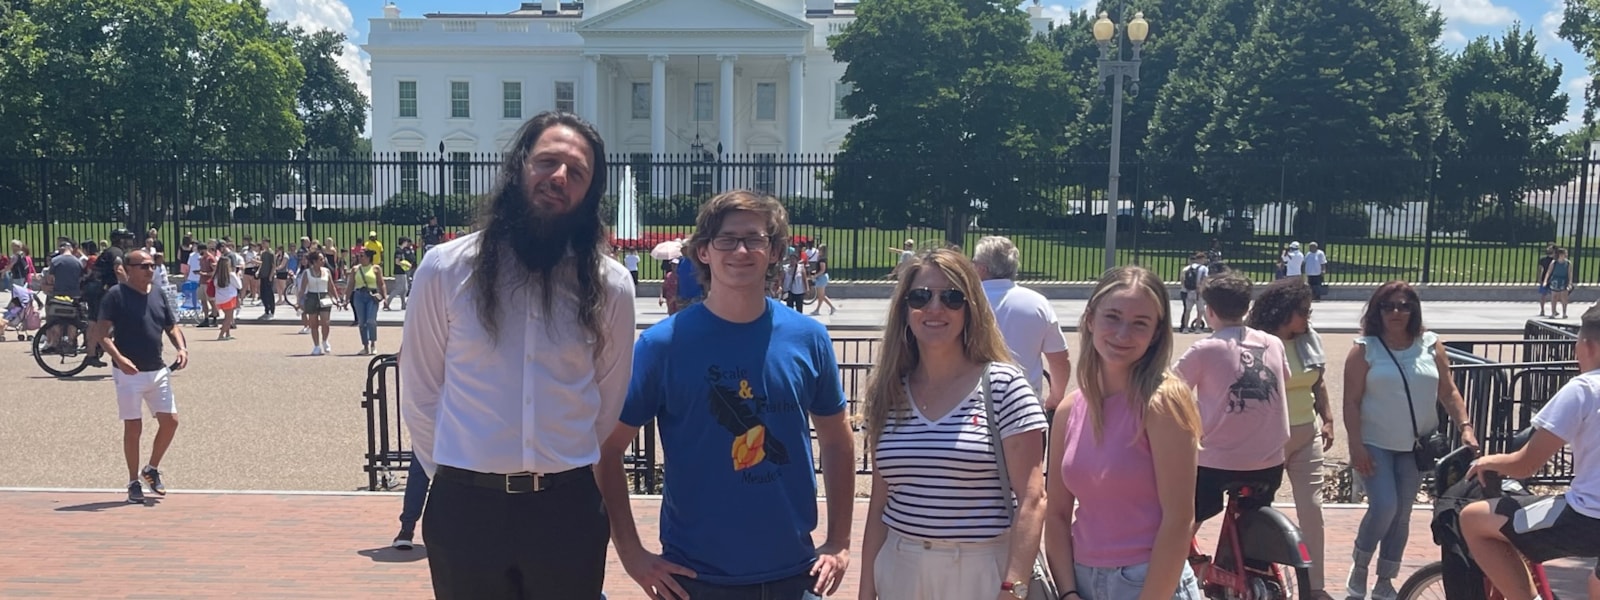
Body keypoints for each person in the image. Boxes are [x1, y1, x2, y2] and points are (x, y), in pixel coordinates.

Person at [400, 112, 636, 598]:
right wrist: (460, 470)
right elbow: (420, 392)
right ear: (519, 166)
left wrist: (558, 462)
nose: (559, 178)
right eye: (547, 162)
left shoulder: (611, 286)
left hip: (565, 511)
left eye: (577, 173)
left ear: (590, 193)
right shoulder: (445, 270)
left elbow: (606, 399)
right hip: (466, 512)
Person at [598, 190, 854, 600]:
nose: (741, 250)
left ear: (774, 252)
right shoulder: (663, 345)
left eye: (755, 239)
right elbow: (607, 450)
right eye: (726, 239)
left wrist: (839, 541)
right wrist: (631, 552)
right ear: (703, 252)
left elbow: (838, 440)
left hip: (794, 570)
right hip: (695, 577)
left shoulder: (809, 338)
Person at [857, 248, 1048, 600]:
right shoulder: (889, 391)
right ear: (905, 308)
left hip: (979, 570)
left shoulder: (1004, 386)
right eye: (920, 296)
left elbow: (1033, 499)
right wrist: (866, 591)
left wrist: (1014, 588)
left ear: (970, 308)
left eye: (951, 297)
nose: (934, 308)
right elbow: (880, 504)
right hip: (900, 566)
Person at [1046, 265, 1205, 600]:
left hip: (1149, 580)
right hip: (1082, 579)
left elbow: (1179, 520)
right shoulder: (1068, 410)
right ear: (1090, 319)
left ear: (1156, 333)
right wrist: (1068, 592)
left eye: (1139, 324)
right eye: (1113, 317)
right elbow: (1057, 514)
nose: (1122, 333)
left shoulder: (1163, 403)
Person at [1343, 281, 1478, 600]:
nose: (1396, 312)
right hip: (1375, 442)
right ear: (1377, 311)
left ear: (1414, 310)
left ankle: (1385, 579)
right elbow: (1351, 401)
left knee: (1402, 513)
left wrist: (1466, 426)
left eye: (1404, 306)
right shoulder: (1364, 349)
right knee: (1384, 507)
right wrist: (1355, 445)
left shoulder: (1430, 345)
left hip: (1416, 447)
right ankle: (1360, 565)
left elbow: (1448, 391)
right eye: (1388, 306)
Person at [1460, 303, 1600, 600]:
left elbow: (1526, 465)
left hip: (1588, 518)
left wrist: (1489, 461)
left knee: (1473, 518)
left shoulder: (1584, 389)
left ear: (1587, 346)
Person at [1173, 272, 1291, 529]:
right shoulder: (1273, 343)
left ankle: (1175, 564)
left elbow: (1170, 391)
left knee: (1184, 519)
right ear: (1247, 307)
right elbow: (1285, 379)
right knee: (1252, 526)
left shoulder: (1205, 348)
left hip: (1216, 460)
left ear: (1208, 310)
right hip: (1268, 459)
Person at [1245, 279, 1335, 600]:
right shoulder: (1256, 342)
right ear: (1284, 311)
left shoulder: (1308, 340)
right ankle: (1249, 572)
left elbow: (1318, 381)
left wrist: (1328, 419)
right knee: (1256, 509)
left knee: (1312, 510)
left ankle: (1315, 587)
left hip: (1306, 433)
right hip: (1269, 438)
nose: (1307, 318)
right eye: (1303, 312)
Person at [87, 249, 188, 504]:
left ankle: (151, 469)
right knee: (134, 427)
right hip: (128, 373)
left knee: (171, 421)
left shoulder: (158, 293)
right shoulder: (116, 296)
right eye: (143, 266)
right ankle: (133, 481)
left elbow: (171, 325)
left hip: (158, 369)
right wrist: (120, 359)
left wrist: (181, 347)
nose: (150, 269)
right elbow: (102, 333)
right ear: (128, 269)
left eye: (152, 265)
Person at [972, 235, 1071, 419]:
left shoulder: (963, 301)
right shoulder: (1037, 302)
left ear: (982, 268)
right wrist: (1055, 398)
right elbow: (1059, 359)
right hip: (1025, 407)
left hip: (973, 407)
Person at [346, 249, 387, 355]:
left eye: (362, 256)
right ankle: (365, 346)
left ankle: (373, 343)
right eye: (359, 256)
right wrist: (346, 299)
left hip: (371, 296)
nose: (360, 258)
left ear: (368, 257)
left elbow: (381, 283)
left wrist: (385, 297)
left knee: (371, 320)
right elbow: (350, 285)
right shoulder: (355, 269)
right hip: (359, 295)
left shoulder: (375, 268)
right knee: (362, 322)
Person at [1178, 252, 1209, 333]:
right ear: (1202, 259)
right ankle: (1197, 328)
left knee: (1187, 310)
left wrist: (1185, 288)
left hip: (1188, 291)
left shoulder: (1187, 268)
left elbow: (1182, 279)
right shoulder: (1204, 268)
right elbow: (1205, 279)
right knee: (1200, 310)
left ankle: (1185, 328)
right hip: (1198, 292)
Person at [212, 255, 240, 340]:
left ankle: (227, 333)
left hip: (220, 298)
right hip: (230, 297)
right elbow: (239, 286)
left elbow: (215, 285)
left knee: (227, 316)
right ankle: (221, 335)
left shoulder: (216, 276)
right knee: (228, 318)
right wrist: (237, 275)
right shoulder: (231, 275)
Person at [386, 237, 416, 311]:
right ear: (404, 242)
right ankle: (387, 302)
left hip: (403, 272)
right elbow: (397, 261)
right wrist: (406, 264)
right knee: (399, 288)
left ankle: (403, 305)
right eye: (406, 242)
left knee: (405, 289)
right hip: (399, 272)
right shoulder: (398, 251)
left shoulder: (402, 250)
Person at [808, 243, 838, 316]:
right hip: (821, 277)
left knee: (821, 295)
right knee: (821, 295)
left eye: (820, 249)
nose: (818, 250)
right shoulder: (821, 259)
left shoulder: (822, 260)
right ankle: (827, 308)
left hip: (821, 278)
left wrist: (815, 275)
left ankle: (820, 309)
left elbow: (822, 270)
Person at [1543, 247, 1572, 319]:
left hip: (1563, 280)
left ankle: (1564, 312)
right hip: (1555, 280)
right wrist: (1545, 281)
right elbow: (1549, 272)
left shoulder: (1568, 263)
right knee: (1554, 297)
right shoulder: (1554, 262)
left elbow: (1570, 274)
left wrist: (1570, 283)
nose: (1564, 255)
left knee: (1564, 297)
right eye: (1563, 254)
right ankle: (1553, 312)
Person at [1537, 244, 1557, 317]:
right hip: (1547, 279)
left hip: (1549, 279)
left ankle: (1550, 310)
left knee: (1551, 295)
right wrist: (1540, 278)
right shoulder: (1549, 260)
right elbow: (1540, 269)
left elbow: (1540, 269)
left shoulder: (1554, 260)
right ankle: (1543, 310)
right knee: (1546, 295)